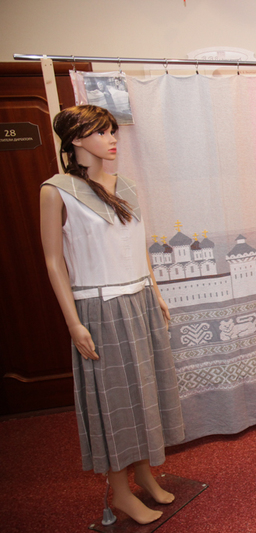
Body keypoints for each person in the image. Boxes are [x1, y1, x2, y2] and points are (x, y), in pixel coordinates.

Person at [40, 105, 185, 524]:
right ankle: (119, 493)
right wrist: (73, 322)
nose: (112, 138)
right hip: (99, 307)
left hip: (140, 300)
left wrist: (155, 292)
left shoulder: (128, 187)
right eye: (101, 132)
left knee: (145, 392)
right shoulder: (57, 191)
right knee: (115, 400)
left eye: (112, 131)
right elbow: (53, 261)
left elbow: (138, 244)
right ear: (75, 139)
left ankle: (143, 474)